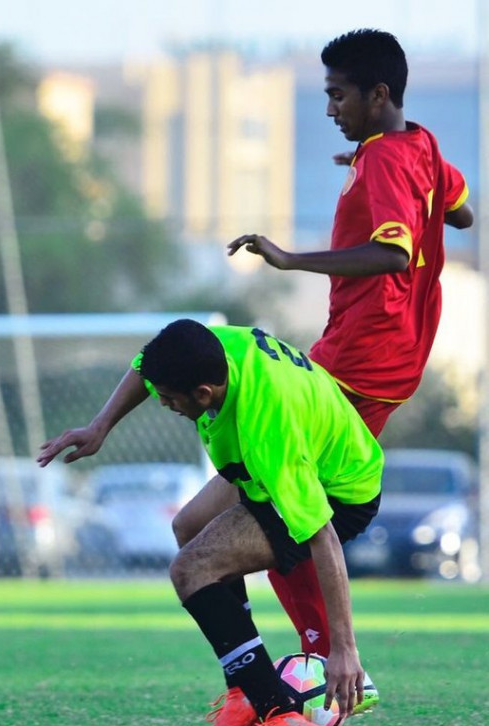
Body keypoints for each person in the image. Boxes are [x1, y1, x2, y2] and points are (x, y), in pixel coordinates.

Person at [225, 29, 473, 689]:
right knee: (227, 515)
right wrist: (372, 176)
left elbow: (392, 255)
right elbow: (463, 212)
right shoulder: (416, 144)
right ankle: (287, 668)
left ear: (378, 93)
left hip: (364, 356)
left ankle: (332, 668)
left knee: (284, 513)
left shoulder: (390, 158)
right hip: (378, 352)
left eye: (338, 95)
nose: (329, 107)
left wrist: (289, 257)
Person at [38, 319, 383, 726]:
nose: (163, 403)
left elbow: (322, 536)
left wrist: (344, 650)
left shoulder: (268, 431)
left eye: (168, 398)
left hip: (337, 491)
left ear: (203, 394)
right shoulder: (213, 347)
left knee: (191, 569)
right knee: (190, 525)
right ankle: (244, 688)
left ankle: (279, 711)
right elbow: (146, 365)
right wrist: (100, 427)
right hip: (280, 461)